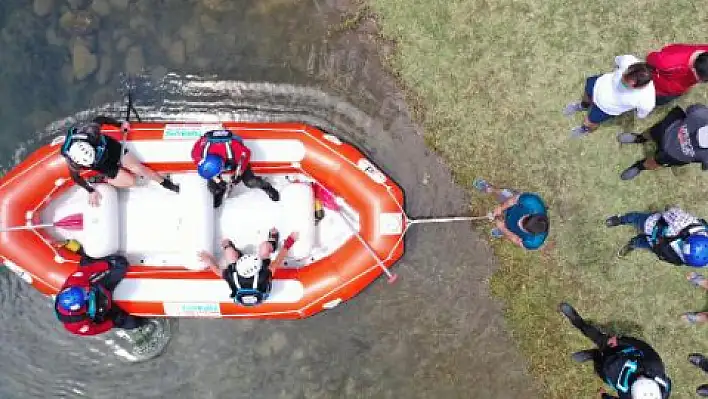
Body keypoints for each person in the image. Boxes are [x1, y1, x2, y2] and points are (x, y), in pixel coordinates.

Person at [558, 302, 671, 399]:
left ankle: (594, 355)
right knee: (596, 335)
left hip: (610, 375)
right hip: (620, 351)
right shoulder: (655, 365)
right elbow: (642, 346)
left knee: (600, 368)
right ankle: (576, 320)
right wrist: (620, 341)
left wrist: (604, 396)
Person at [61, 116, 179, 206]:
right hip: (103, 165)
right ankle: (104, 179)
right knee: (131, 182)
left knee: (139, 169)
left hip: (111, 148)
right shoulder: (73, 164)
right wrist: (90, 190)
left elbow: (99, 119)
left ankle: (165, 183)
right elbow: (76, 178)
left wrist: (120, 124)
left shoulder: (92, 133)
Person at [53, 239, 148, 336]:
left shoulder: (74, 282)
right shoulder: (76, 324)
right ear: (78, 307)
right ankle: (144, 321)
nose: (85, 290)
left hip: (100, 289)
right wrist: (111, 322)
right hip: (104, 311)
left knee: (120, 264)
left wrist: (107, 265)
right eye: (84, 294)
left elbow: (87, 270)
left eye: (82, 291)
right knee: (131, 323)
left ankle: (78, 249)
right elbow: (95, 329)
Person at [198, 228, 297, 306]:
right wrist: (290, 241)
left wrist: (208, 260)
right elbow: (279, 259)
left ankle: (233, 249)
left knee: (227, 248)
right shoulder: (264, 275)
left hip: (248, 274)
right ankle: (271, 243)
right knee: (264, 247)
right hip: (256, 281)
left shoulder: (232, 276)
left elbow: (217, 271)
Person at [564, 55, 655, 137]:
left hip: (605, 109)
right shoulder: (628, 60)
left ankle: (585, 129)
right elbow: (617, 60)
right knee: (587, 95)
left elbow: (641, 114)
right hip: (598, 84)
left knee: (590, 121)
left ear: (641, 87)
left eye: (627, 84)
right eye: (624, 75)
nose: (622, 81)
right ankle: (583, 106)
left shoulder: (647, 100)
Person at [191, 129, 279, 208]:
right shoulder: (198, 154)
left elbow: (246, 153)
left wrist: (239, 172)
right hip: (217, 162)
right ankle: (219, 192)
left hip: (234, 161)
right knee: (212, 187)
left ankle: (266, 186)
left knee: (250, 182)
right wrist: (218, 180)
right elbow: (207, 170)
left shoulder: (234, 148)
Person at [617, 104, 708, 180]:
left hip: (676, 155)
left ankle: (639, 167)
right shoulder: (701, 114)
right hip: (669, 130)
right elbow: (691, 109)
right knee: (652, 132)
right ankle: (639, 138)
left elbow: (704, 166)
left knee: (657, 161)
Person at [605, 206, 708, 266]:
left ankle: (633, 244)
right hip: (653, 225)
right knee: (636, 219)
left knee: (643, 243)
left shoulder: (696, 259)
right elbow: (671, 213)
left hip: (657, 246)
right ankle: (621, 220)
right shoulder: (687, 223)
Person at [473, 178, 549, 250]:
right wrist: (500, 208)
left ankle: (503, 231)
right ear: (530, 214)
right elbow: (512, 201)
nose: (518, 223)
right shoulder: (532, 201)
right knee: (505, 193)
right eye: (522, 220)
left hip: (514, 230)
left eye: (522, 227)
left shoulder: (534, 243)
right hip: (514, 207)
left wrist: (503, 228)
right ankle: (489, 188)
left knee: (509, 229)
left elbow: (516, 239)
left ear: (530, 233)